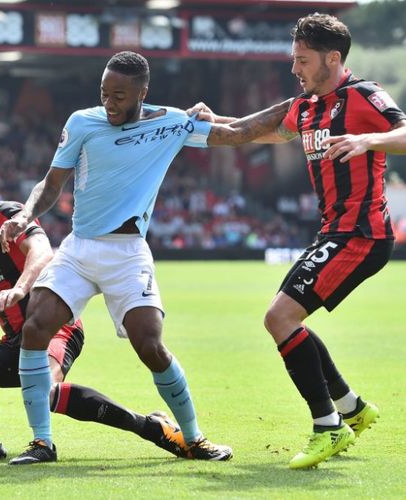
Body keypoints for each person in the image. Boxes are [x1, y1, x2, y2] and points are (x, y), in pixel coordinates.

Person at [0, 51, 291, 465]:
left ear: (142, 93)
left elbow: (240, 132)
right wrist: (26, 213)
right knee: (35, 327)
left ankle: (194, 439)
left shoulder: (170, 122)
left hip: (127, 253)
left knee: (149, 345)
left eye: (119, 95)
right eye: (104, 93)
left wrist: (298, 104)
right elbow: (52, 183)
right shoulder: (82, 122)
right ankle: (41, 442)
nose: (109, 103)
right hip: (79, 248)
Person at [188, 13, 406, 469]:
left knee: (279, 317)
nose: (295, 69)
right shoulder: (303, 107)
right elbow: (244, 131)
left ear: (333, 58)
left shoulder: (363, 96)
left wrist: (370, 140)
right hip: (335, 234)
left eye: (302, 61)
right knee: (288, 320)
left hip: (362, 234)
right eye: (293, 59)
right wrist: (208, 122)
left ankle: (329, 427)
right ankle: (351, 409)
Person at [0, 150, 187, 463]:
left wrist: (20, 289)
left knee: (46, 391)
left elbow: (42, 251)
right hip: (14, 345)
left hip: (54, 330)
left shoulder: (7, 214)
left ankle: (152, 428)